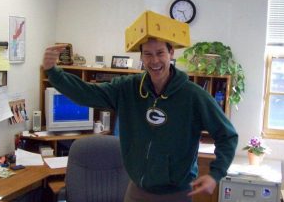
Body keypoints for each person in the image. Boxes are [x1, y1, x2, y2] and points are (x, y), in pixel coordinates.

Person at [42, 38, 238, 202]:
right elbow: (87, 93)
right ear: (141, 57)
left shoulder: (193, 95)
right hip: (137, 190)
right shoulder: (127, 88)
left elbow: (227, 135)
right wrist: (53, 72)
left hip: (177, 193)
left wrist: (215, 174)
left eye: (160, 53)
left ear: (171, 53)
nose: (154, 61)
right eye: (148, 54)